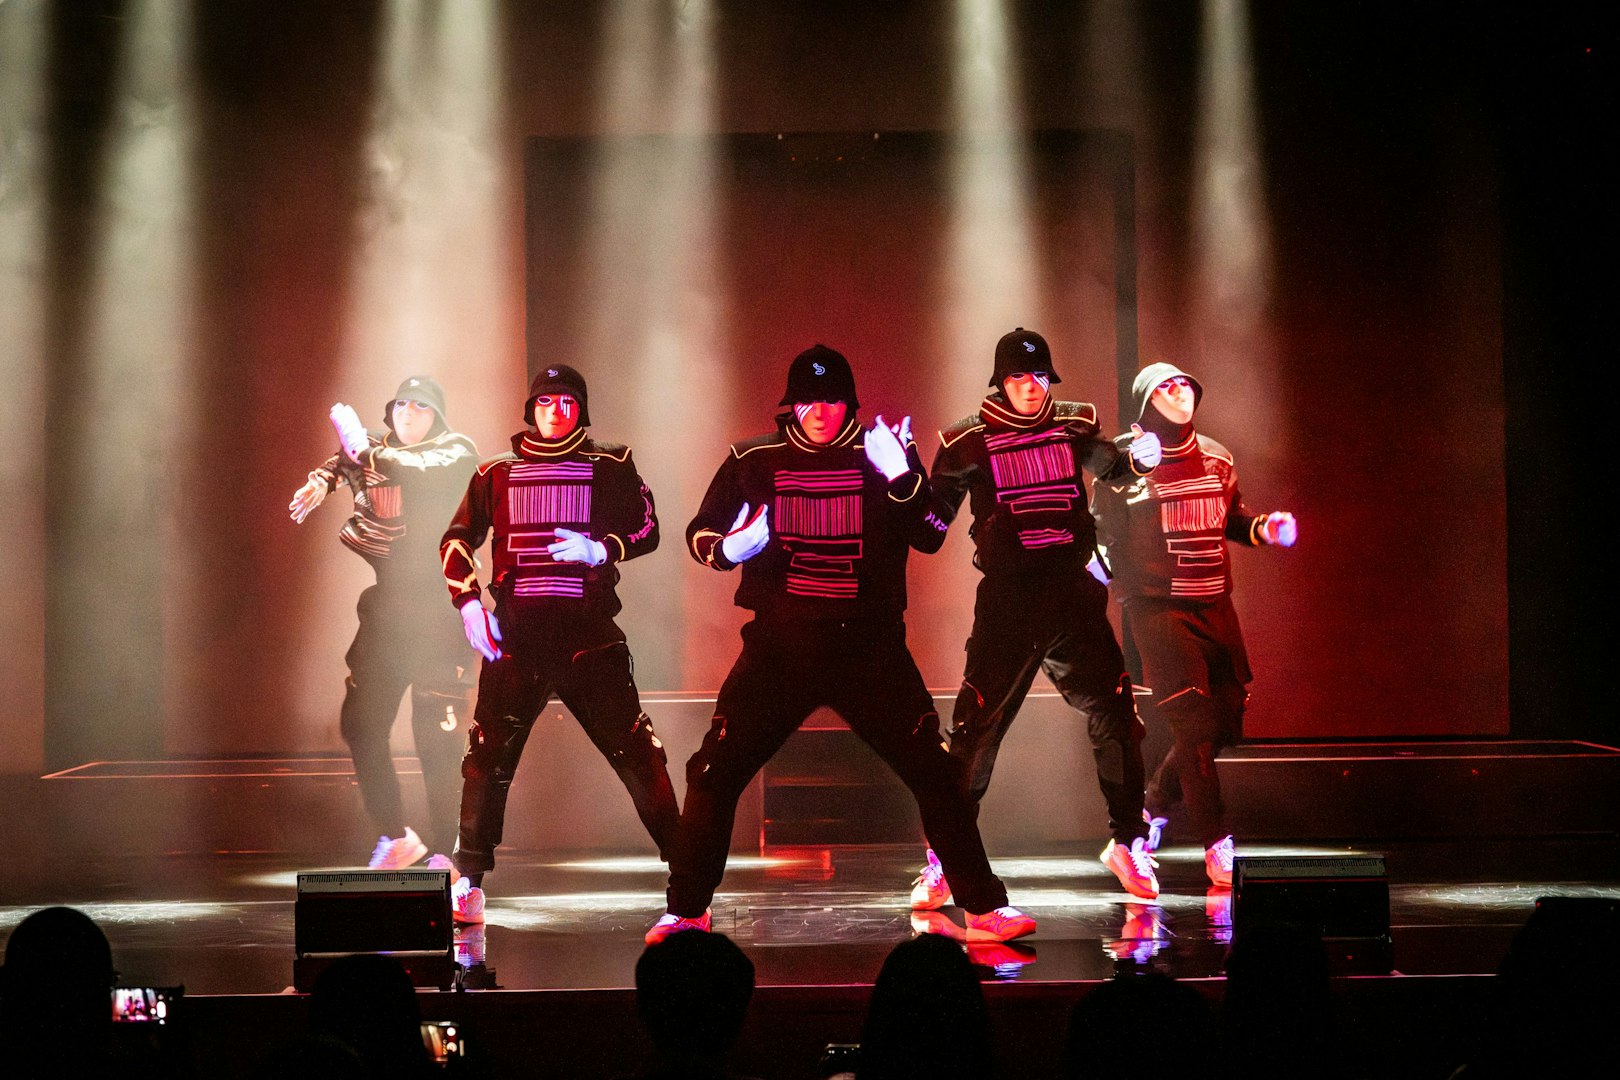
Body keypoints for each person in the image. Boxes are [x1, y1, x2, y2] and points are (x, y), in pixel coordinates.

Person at [647, 344, 1035, 945]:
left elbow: (931, 536)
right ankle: (686, 909)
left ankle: (983, 907)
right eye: (808, 401)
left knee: (936, 772)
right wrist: (729, 550)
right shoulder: (755, 458)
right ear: (791, 405)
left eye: (832, 400)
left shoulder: (882, 452)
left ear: (849, 403)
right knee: (713, 771)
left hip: (869, 649)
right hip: (779, 648)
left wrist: (904, 477)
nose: (821, 412)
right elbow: (699, 532)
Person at [911, 328, 1165, 906]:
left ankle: (1128, 840)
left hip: (1072, 596)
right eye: (1019, 377)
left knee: (1117, 711)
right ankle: (948, 857)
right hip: (1008, 600)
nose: (1031, 387)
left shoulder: (1073, 427)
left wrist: (1140, 461)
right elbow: (929, 527)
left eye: (1040, 377)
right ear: (1000, 380)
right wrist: (903, 480)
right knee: (976, 731)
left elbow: (1116, 467)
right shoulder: (967, 443)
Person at [440, 365, 678, 922]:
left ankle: (689, 873)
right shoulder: (495, 471)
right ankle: (469, 880)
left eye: (567, 402)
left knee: (640, 756)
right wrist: (469, 601)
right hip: (517, 637)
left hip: (589, 637)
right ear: (531, 410)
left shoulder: (610, 462)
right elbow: (457, 537)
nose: (555, 412)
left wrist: (601, 549)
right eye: (544, 402)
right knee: (485, 759)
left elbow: (649, 527)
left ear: (582, 410)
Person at [1091, 362, 1297, 887]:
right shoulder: (1121, 460)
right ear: (1145, 401)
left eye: (1184, 383)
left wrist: (1264, 529)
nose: (1179, 392)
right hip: (1157, 608)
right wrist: (1098, 587)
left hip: (1214, 606)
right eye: (1165, 386)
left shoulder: (1216, 456)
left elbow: (1231, 521)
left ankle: (1148, 809)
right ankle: (1216, 845)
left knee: (1227, 719)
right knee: (1194, 725)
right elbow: (1096, 536)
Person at [291, 377, 479, 867]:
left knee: (436, 739)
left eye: (420, 407)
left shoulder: (455, 450)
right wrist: (322, 480)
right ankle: (396, 835)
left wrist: (361, 451)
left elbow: (408, 468)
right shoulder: (374, 449)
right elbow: (344, 462)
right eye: (400, 406)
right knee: (361, 722)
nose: (407, 415)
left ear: (436, 414)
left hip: (440, 610)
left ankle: (446, 849)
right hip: (389, 609)